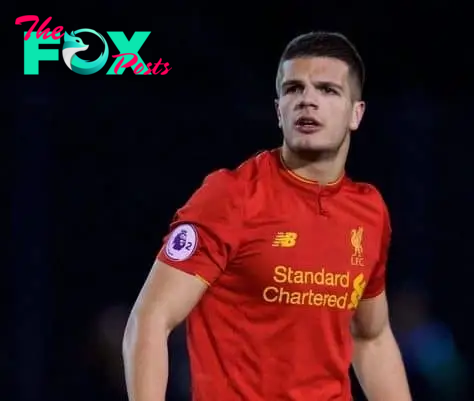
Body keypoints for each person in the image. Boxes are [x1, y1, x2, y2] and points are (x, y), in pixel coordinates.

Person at [123, 31, 412, 401]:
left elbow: (371, 337)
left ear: (357, 113)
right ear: (279, 111)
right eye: (293, 89)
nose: (307, 100)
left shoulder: (369, 211)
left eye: (327, 90)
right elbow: (149, 320)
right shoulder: (231, 197)